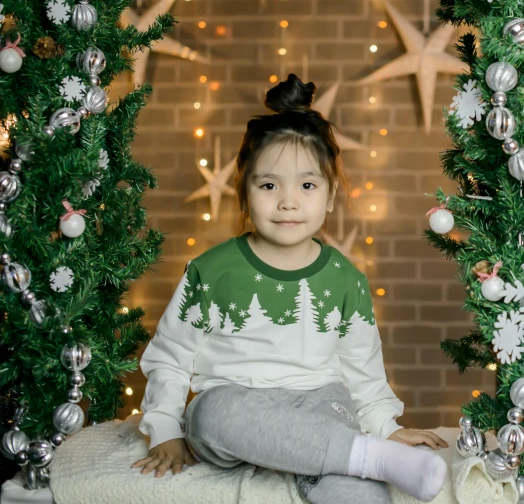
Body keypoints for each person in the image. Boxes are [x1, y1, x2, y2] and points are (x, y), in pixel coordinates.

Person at [130, 74, 449, 503]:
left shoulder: (345, 278)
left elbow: (363, 370)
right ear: (243, 195)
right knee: (208, 415)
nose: (288, 201)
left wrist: (387, 428)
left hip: (319, 405)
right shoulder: (211, 271)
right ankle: (360, 454)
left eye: (307, 185)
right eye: (268, 185)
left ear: (331, 196)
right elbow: (171, 355)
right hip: (235, 406)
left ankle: (365, 457)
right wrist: (165, 428)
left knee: (356, 485)